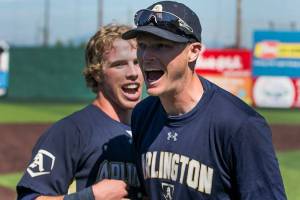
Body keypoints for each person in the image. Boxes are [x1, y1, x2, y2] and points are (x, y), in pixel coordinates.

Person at [122, 1, 287, 199]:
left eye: (161, 45)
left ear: (193, 51)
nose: (147, 56)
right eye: (142, 46)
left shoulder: (241, 125)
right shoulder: (142, 114)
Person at [17, 24, 144, 200]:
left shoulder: (151, 129)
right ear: (98, 73)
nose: (133, 73)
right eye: (119, 64)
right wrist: (90, 197)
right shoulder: (72, 131)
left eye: (138, 62)